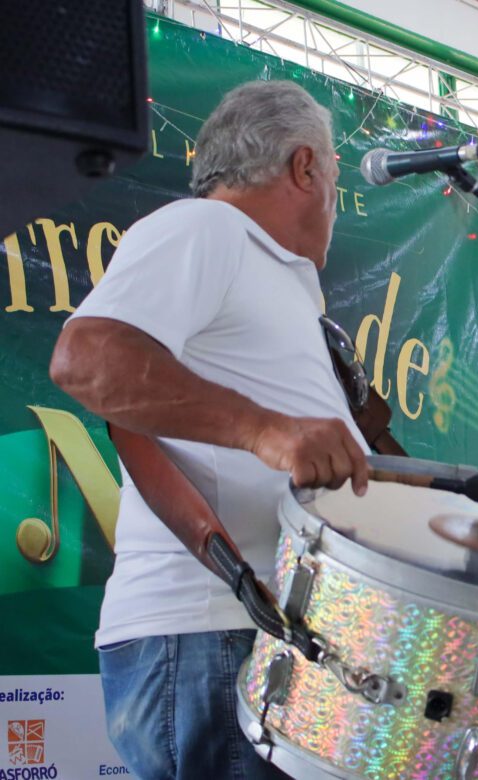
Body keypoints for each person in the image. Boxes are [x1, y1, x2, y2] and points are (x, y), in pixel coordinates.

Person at [49, 80, 372, 780]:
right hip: (210, 634)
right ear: (304, 166)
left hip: (256, 637)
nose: (333, 200)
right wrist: (266, 431)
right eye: (334, 176)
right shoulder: (207, 227)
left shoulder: (278, 279)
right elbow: (86, 358)